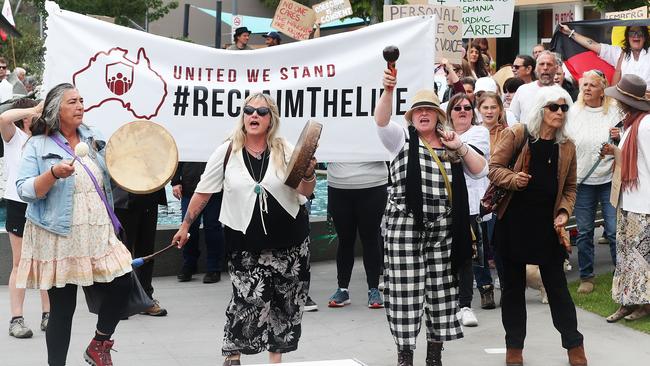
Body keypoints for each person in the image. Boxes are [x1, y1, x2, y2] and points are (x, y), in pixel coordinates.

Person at [172, 93, 316, 366]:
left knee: (285, 307)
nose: (254, 116)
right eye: (249, 111)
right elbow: (203, 193)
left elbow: (305, 191)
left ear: (271, 118)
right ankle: (233, 356)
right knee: (246, 303)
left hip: (291, 245)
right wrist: (185, 226)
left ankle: (276, 362)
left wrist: (308, 174)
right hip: (245, 245)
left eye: (261, 112)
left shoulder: (284, 149)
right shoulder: (226, 151)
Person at [375, 68, 488, 366]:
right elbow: (381, 121)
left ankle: (434, 355)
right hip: (405, 229)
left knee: (441, 293)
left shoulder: (452, 145)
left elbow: (481, 169)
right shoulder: (400, 140)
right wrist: (388, 91)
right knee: (404, 293)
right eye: (418, 110)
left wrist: (459, 146)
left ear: (439, 115)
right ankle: (405, 356)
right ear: (411, 117)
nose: (423, 114)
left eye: (429, 109)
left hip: (444, 232)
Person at [15, 83, 133, 366]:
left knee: (124, 280)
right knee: (63, 308)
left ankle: (99, 343)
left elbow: (114, 172)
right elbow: (24, 190)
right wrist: (53, 173)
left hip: (97, 231)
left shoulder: (93, 136)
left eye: (81, 100)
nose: (80, 106)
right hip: (58, 235)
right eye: (72, 102)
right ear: (57, 109)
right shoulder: (38, 144)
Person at [490, 85, 587, 366]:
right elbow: (493, 167)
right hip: (513, 224)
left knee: (557, 289)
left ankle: (574, 346)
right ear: (541, 110)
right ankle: (514, 348)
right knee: (512, 289)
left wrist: (563, 213)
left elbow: (570, 188)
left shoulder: (567, 146)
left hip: (546, 228)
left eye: (564, 108)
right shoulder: (519, 134)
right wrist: (513, 179)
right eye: (554, 107)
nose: (559, 112)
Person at [566, 70, 620, 295]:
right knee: (586, 231)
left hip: (609, 179)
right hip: (583, 181)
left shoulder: (614, 110)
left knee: (614, 230)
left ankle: (622, 275)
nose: (587, 88)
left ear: (602, 89)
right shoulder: (573, 112)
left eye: (592, 85)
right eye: (584, 84)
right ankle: (587, 276)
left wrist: (619, 137)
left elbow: (626, 142)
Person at [600, 74, 650, 322]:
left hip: (643, 204)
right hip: (628, 200)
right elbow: (634, 160)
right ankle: (626, 302)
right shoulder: (632, 122)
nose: (617, 103)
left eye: (620, 99)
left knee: (639, 257)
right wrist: (615, 150)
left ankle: (642, 305)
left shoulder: (646, 125)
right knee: (626, 255)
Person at [1, 99, 50, 339]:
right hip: (18, 204)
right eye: (32, 114)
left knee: (45, 262)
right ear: (25, 118)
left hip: (43, 204)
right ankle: (16, 318)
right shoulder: (14, 138)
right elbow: (2, 118)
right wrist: (33, 108)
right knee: (20, 263)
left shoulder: (48, 140)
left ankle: (48, 314)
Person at [446, 93, 491, 325]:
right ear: (449, 113)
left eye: (467, 107)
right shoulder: (439, 133)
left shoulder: (479, 133)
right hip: (442, 204)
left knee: (467, 256)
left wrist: (454, 143)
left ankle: (465, 304)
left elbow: (473, 165)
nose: (462, 111)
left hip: (471, 204)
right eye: (457, 108)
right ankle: (445, 302)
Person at [326, 161, 388, 309]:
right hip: (338, 183)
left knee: (371, 238)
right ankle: (342, 289)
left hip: (374, 182)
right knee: (345, 239)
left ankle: (373, 289)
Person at [112, 186, 168, 316]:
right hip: (123, 197)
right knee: (122, 253)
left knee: (147, 250)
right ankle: (120, 301)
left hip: (149, 194)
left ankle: (146, 299)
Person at [172, 162, 225, 283]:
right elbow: (178, 155)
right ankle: (189, 264)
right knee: (188, 228)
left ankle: (214, 268)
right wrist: (175, 181)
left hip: (215, 188)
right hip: (189, 187)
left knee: (213, 228)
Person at [559, 24, 650, 92]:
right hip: (626, 102)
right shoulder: (619, 53)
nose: (636, 36)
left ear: (645, 37)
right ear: (627, 37)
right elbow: (592, 44)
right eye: (632, 33)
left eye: (640, 33)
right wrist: (570, 33)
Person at [510, 51, 560, 122]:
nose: (545, 68)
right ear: (536, 68)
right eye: (542, 64)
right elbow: (512, 117)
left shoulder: (562, 94)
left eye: (549, 64)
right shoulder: (522, 90)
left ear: (556, 68)